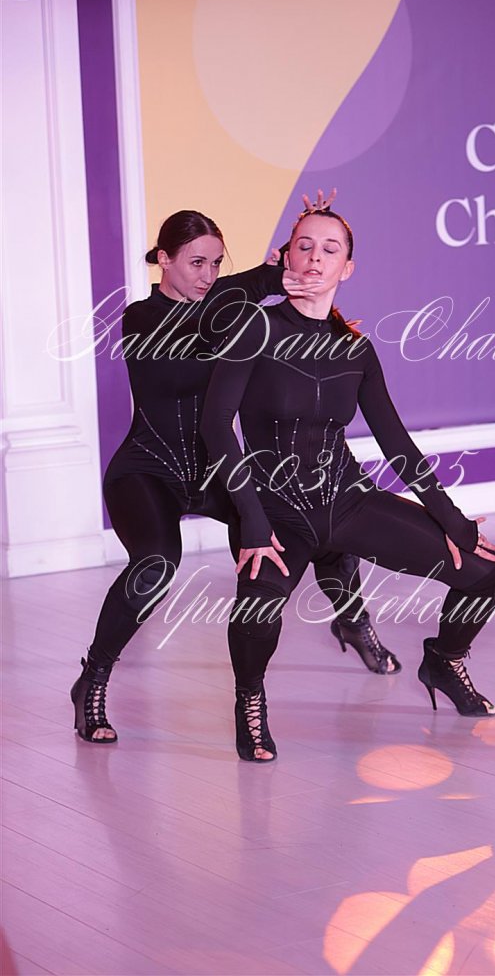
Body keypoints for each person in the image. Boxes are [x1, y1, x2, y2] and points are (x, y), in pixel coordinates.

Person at [71, 201, 399, 745]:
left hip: (218, 470)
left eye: (216, 263)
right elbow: (198, 331)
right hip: (148, 469)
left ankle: (351, 617)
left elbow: (236, 317)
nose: (207, 275)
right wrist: (268, 278)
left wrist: (296, 259)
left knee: (311, 521)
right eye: (196, 262)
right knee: (155, 565)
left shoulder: (232, 314)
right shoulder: (140, 317)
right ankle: (94, 677)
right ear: (163, 260)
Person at [201, 208, 495, 762]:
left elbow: (396, 442)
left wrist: (452, 520)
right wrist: (250, 520)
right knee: (257, 612)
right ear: (286, 257)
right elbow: (214, 426)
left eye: (330, 249)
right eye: (304, 245)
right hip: (275, 511)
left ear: (347, 268)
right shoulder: (255, 327)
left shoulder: (356, 349)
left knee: (491, 573)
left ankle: (444, 661)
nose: (315, 258)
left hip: (348, 502)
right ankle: (249, 700)